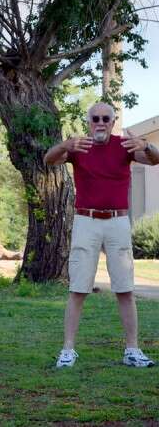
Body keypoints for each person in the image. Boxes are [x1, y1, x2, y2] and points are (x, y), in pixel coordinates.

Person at [45, 102, 159, 368]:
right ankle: (68, 350)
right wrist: (64, 145)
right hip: (86, 221)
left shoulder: (124, 146)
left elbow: (155, 159)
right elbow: (48, 160)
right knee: (78, 288)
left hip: (118, 222)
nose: (100, 123)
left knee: (125, 288)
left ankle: (132, 350)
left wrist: (146, 145)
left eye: (105, 119)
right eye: (95, 118)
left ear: (112, 122)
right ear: (89, 121)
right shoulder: (79, 146)